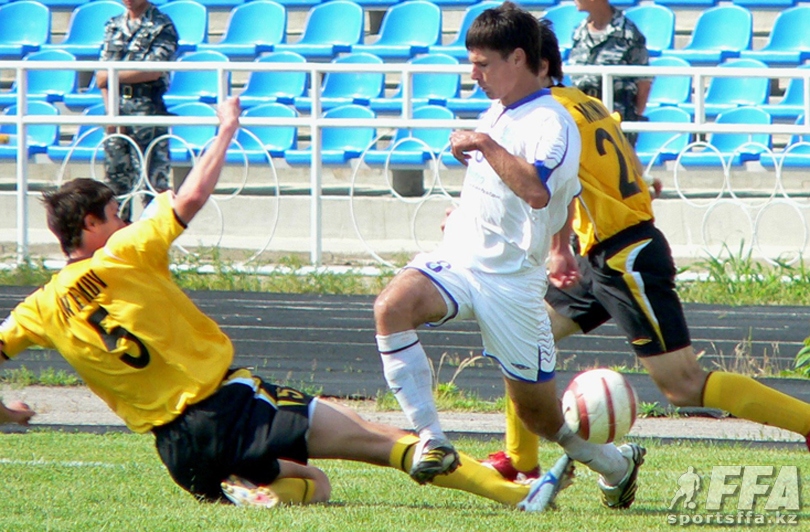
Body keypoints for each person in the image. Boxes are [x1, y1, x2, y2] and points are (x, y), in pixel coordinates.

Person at [0, 97, 553, 512]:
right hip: (231, 405)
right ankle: (516, 496)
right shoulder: (121, 253)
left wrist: (7, 413)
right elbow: (190, 198)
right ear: (92, 226)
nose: (124, 220)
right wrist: (226, 130)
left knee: (316, 486)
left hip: (179, 454)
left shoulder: (39, 308)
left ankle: (249, 492)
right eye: (116, 213)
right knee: (385, 442)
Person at [482, 19, 810, 486]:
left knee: (683, 385)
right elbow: (619, 157)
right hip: (602, 254)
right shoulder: (587, 103)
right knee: (521, 339)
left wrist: (557, 250)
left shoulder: (552, 115)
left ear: (533, 63)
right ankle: (520, 460)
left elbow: (559, 186)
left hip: (625, 255)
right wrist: (634, 186)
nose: (482, 77)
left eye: (492, 64)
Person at [373, 2, 645, 512]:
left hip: (512, 286)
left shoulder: (552, 122)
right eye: (471, 63)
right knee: (392, 307)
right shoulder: (499, 107)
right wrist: (461, 213)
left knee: (542, 418)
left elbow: (538, 192)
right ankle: (433, 439)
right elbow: (500, 187)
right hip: (462, 261)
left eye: (482, 64)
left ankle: (614, 464)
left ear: (517, 58)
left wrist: (482, 141)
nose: (472, 74)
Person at [96, 0, 178, 222]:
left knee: (153, 185)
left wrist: (111, 74)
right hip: (116, 107)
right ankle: (119, 243)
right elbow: (101, 79)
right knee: (115, 186)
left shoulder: (161, 25)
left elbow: (153, 70)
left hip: (147, 109)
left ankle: (155, 244)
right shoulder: (113, 25)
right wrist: (111, 113)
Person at [567, 0, 651, 146]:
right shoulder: (579, 32)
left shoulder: (628, 33)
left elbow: (643, 82)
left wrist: (634, 117)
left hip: (615, 117)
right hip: (582, 116)